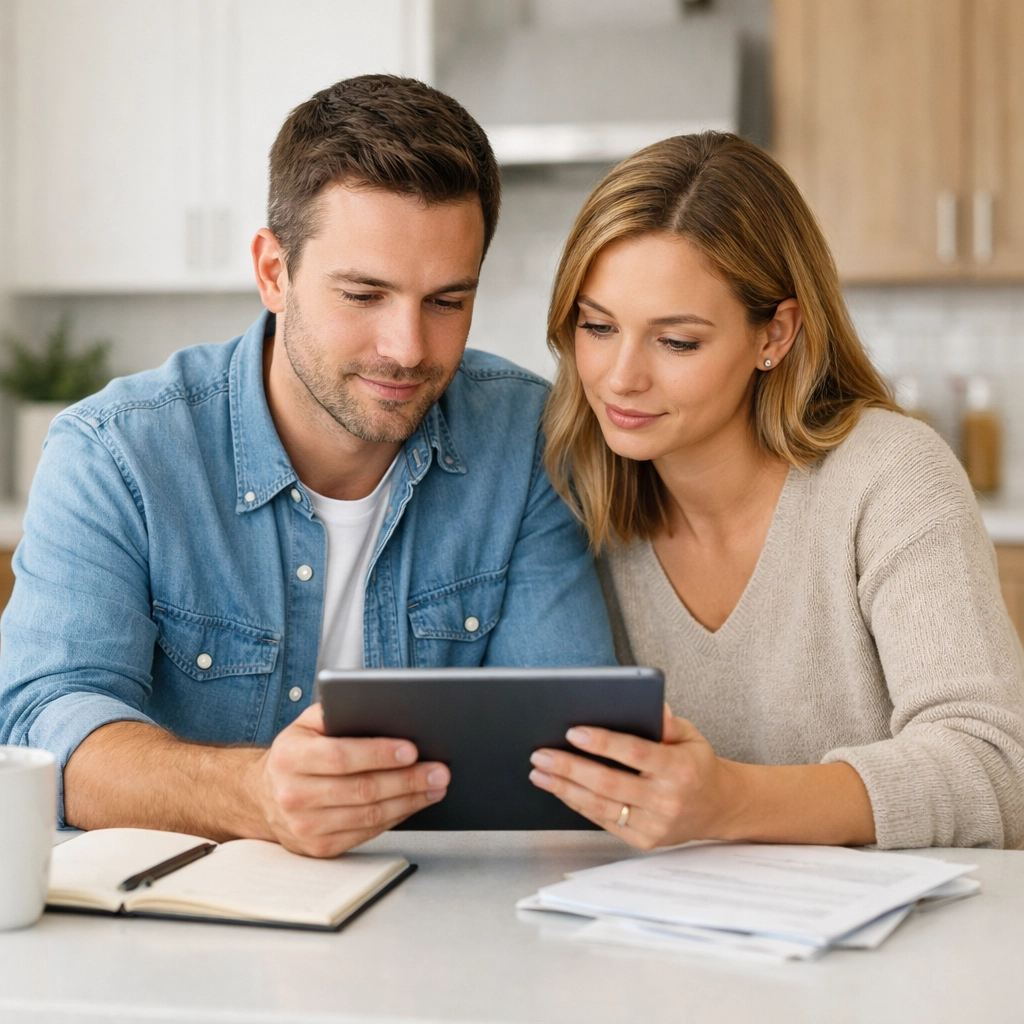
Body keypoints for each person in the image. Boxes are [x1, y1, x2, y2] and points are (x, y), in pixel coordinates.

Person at [0, 75, 615, 856]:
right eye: (364, 294)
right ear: (273, 272)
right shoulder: (114, 455)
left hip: (446, 926)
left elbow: (560, 755)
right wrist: (253, 794)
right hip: (180, 928)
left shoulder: (527, 438)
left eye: (447, 301)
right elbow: (43, 728)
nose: (409, 349)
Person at [529, 132, 1024, 850]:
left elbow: (1000, 769)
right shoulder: (568, 491)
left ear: (777, 334)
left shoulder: (889, 478)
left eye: (677, 342)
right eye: (597, 327)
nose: (618, 378)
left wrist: (730, 801)